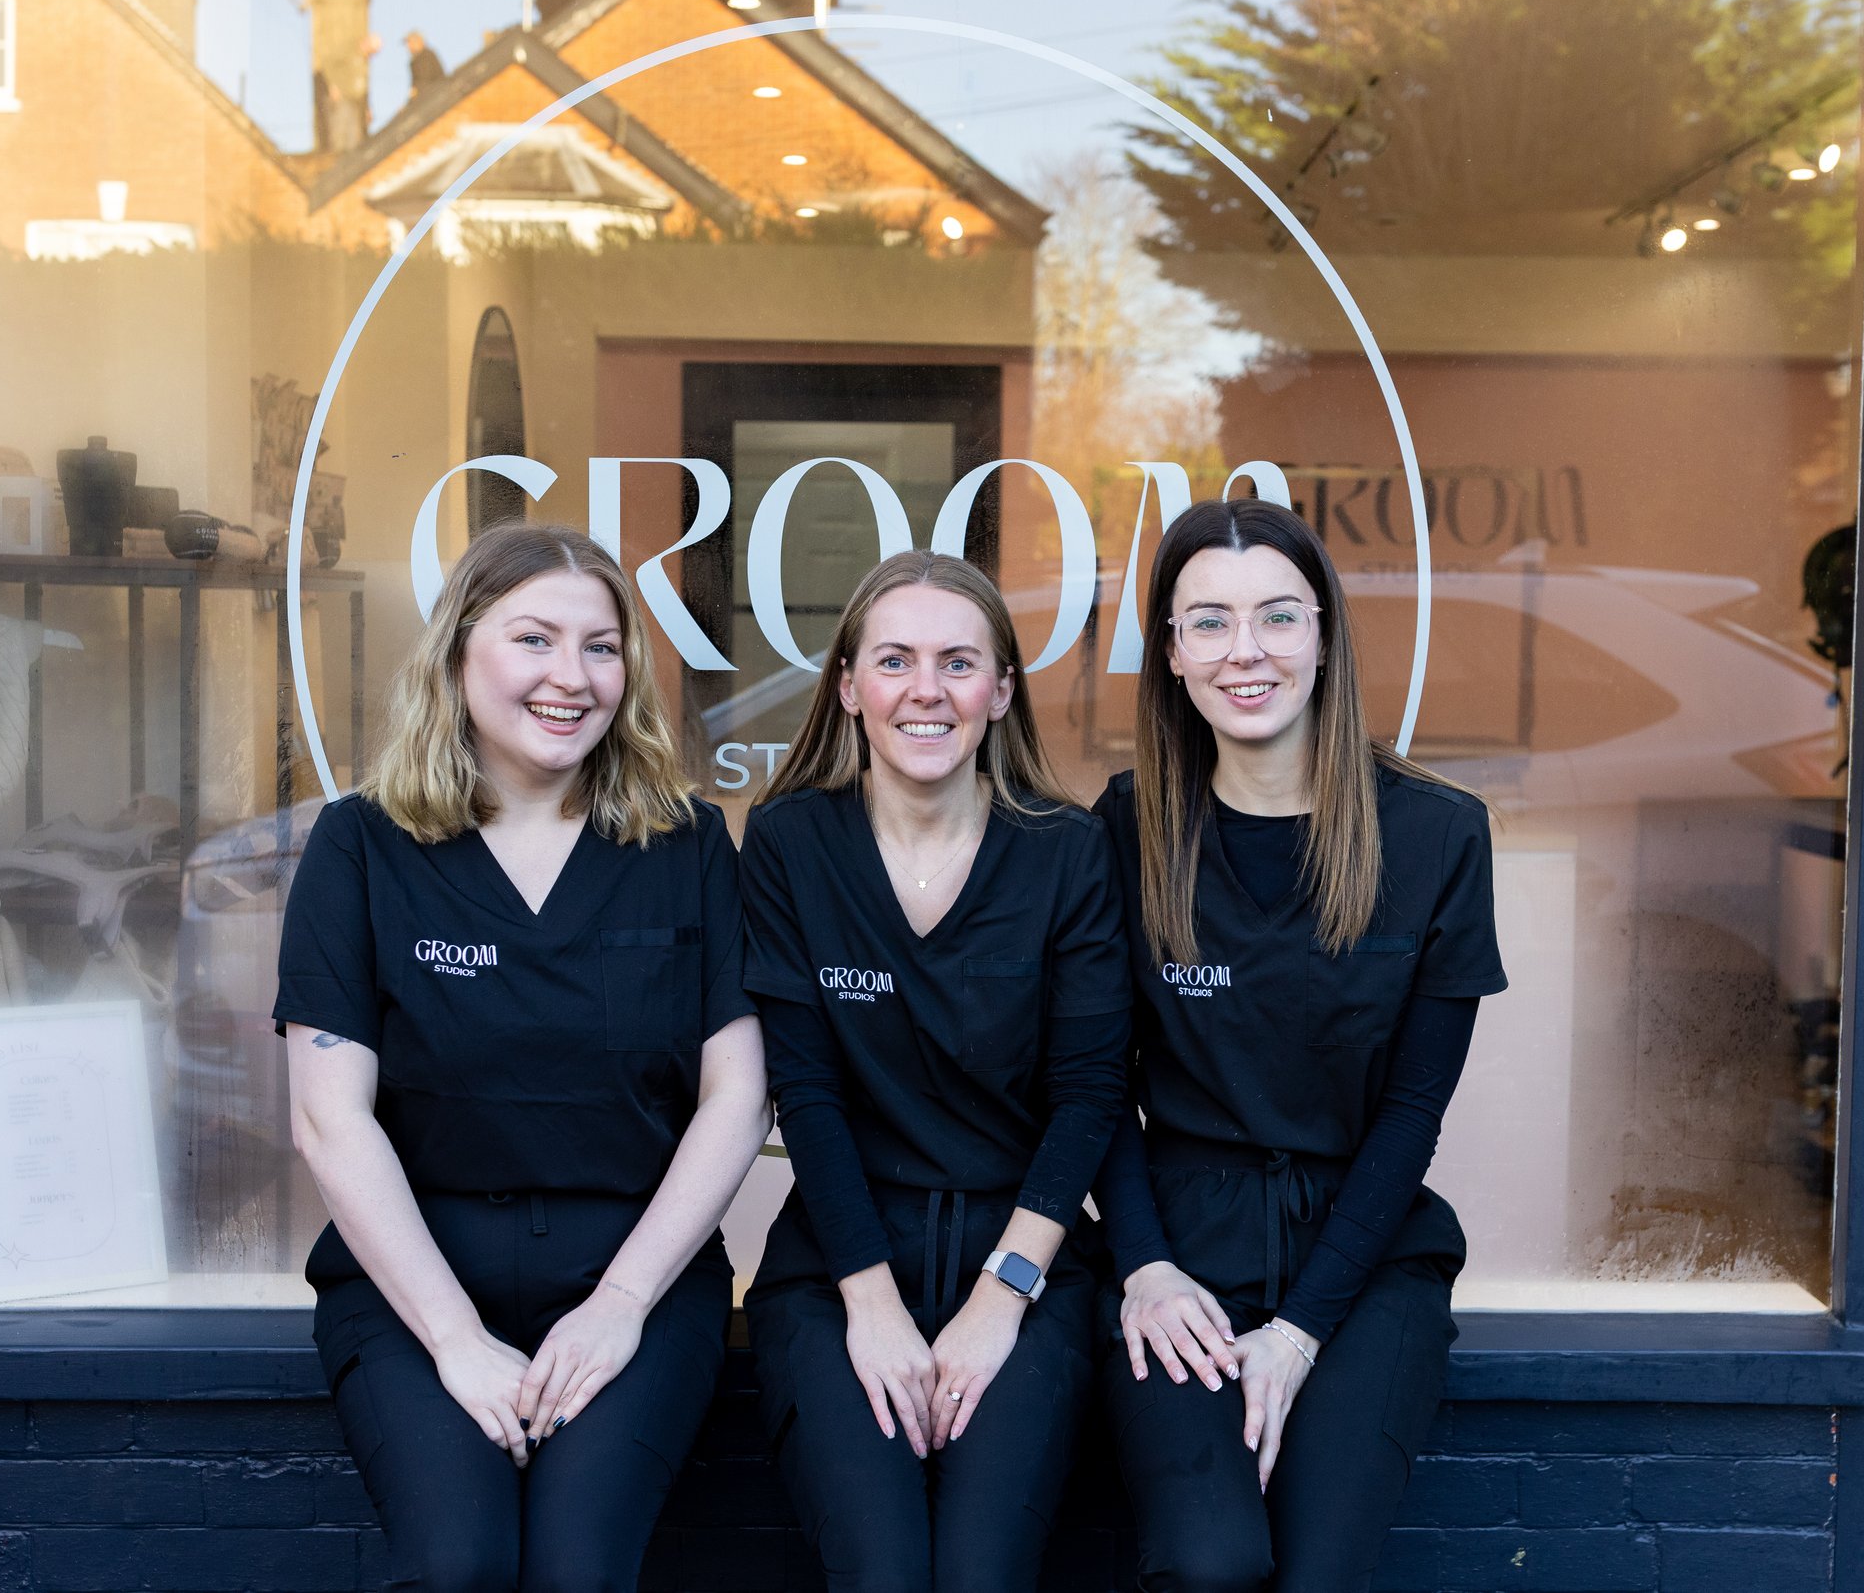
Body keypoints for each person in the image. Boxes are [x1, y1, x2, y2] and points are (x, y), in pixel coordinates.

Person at [277, 522, 770, 1593]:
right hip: (416, 1272)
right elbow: (329, 1118)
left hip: (631, 1267)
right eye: (534, 639)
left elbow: (735, 1097)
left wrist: (623, 1305)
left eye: (602, 647)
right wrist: (454, 1338)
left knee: (577, 1571)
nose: (571, 677)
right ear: (460, 651)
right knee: (458, 1565)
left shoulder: (684, 844)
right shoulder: (361, 845)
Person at [1090, 498, 1506, 1593]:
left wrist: (1298, 1331)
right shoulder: (1125, 827)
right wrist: (1142, 1266)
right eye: (1209, 623)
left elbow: (1413, 1110)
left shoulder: (1436, 833)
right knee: (1211, 1560)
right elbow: (1092, 1083)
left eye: (1277, 617)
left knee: (1316, 1574)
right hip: (1179, 1249)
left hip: (1362, 1257)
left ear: (1323, 635)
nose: (1247, 653)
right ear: (1171, 654)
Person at [739, 550, 1130, 1592]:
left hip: (1025, 1259)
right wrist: (867, 1303)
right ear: (848, 686)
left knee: (978, 1573)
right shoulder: (787, 842)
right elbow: (805, 1092)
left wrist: (1003, 1297)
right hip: (842, 1261)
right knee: (882, 1572)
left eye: (958, 663)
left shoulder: (1066, 851)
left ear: (1000, 690)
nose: (926, 690)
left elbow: (1090, 1093)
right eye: (895, 660)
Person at [406, 30, 447, 98]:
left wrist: (414, 97)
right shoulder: (418, 58)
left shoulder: (425, 56)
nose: (408, 46)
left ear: (419, 42)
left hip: (433, 95)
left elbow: (423, 80)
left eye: (410, 42)